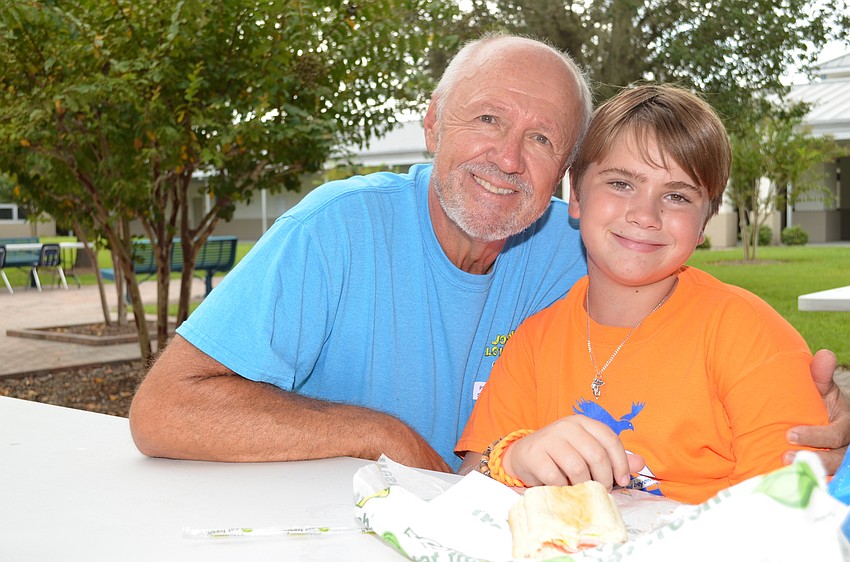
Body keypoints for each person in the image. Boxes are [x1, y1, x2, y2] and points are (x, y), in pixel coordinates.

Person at [128, 33, 849, 475]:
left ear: (565, 174)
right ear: (433, 123)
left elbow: (683, 308)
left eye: (540, 138)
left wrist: (806, 402)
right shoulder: (337, 230)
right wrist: (379, 434)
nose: (507, 157)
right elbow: (165, 410)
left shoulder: (581, 247)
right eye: (487, 118)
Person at [455, 84, 829, 504]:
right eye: (621, 183)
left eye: (677, 196)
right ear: (576, 195)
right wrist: (515, 458)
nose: (645, 215)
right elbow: (468, 486)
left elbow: (792, 508)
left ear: (704, 222)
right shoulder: (533, 342)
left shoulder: (749, 337)